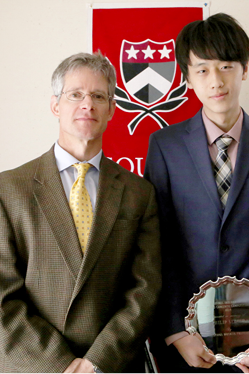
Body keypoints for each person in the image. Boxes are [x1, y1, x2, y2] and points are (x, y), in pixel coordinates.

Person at [144, 13, 249, 374]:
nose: (215, 81)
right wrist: (174, 331)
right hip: (186, 339)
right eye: (202, 70)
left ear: (244, 69)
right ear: (187, 77)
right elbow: (156, 244)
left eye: (226, 66)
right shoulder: (164, 146)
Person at [0, 52, 161, 374]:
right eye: (75, 95)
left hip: (111, 364)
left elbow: (145, 289)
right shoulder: (9, 188)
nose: (87, 104)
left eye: (98, 96)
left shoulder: (138, 193)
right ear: (55, 105)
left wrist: (97, 362)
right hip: (33, 364)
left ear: (112, 109)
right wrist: (59, 364)